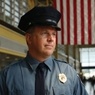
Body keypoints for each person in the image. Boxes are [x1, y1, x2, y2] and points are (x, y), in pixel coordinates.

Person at [0, 6, 88, 95]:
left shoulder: (68, 72)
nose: (51, 39)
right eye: (45, 33)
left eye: (53, 34)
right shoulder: (8, 75)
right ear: (29, 38)